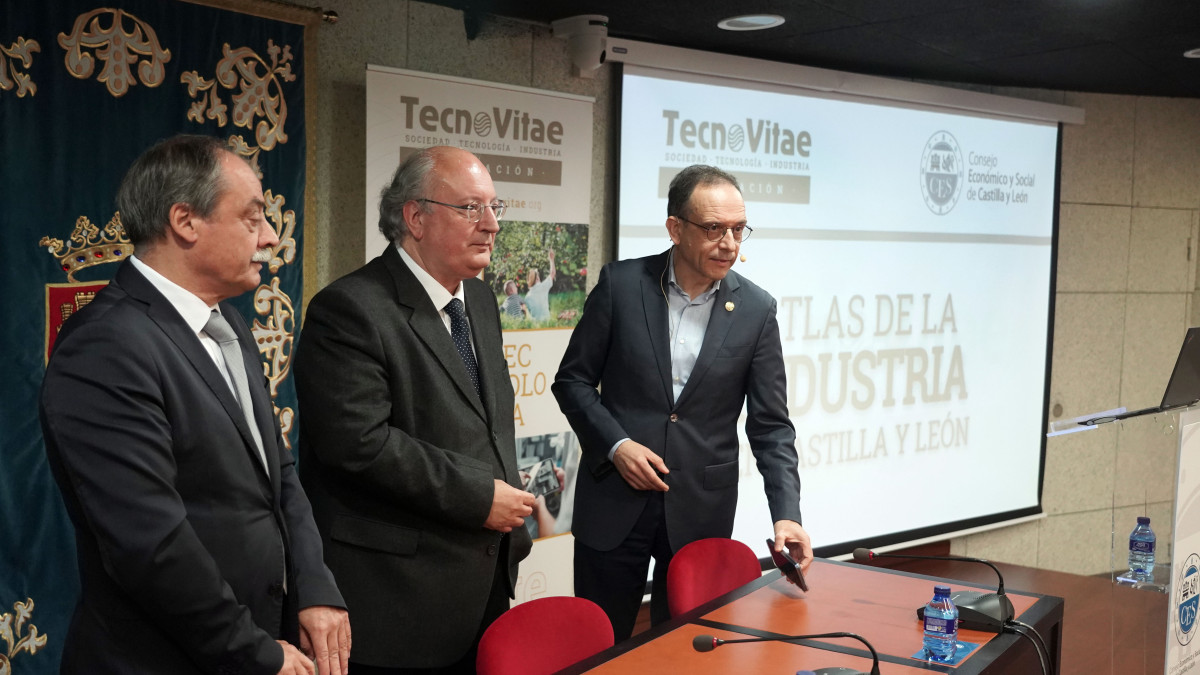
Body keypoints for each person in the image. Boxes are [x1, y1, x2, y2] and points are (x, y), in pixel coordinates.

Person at [39, 134, 350, 675]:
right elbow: (150, 544)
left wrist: (315, 587)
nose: (271, 238)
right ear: (185, 221)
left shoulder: (229, 324)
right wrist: (254, 652)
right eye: (253, 219)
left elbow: (278, 474)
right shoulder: (107, 345)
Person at [294, 146, 535, 674]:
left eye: (495, 208)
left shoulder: (481, 301)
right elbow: (359, 444)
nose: (492, 225)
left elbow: (481, 423)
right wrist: (479, 496)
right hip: (398, 603)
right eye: (472, 208)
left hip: (482, 586)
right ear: (415, 217)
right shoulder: (350, 309)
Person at [552, 164, 812, 641]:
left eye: (739, 230)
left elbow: (771, 426)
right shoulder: (621, 286)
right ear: (675, 227)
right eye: (714, 229)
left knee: (692, 650)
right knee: (599, 648)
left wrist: (787, 513)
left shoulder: (756, 310)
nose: (729, 244)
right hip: (613, 501)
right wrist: (616, 445)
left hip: (701, 509)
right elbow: (572, 382)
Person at [523, 248, 555, 321]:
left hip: (536, 325)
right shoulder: (543, 287)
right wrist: (551, 259)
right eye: (538, 276)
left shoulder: (527, 297)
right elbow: (552, 273)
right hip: (547, 322)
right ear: (537, 279)